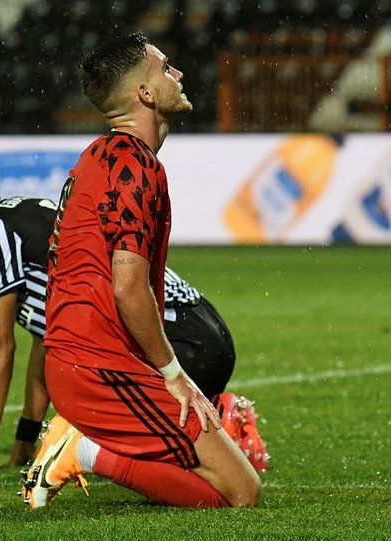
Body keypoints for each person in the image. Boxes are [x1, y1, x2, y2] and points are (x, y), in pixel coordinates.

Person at [0, 154, 267, 479]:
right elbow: (47, 342)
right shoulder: (26, 215)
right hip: (204, 332)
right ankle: (220, 417)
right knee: (73, 368)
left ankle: (214, 433)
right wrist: (23, 441)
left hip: (174, 338)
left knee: (85, 403)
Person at [22, 32, 261, 509]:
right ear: (145, 94)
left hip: (85, 359)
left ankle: (90, 448)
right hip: (97, 366)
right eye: (165, 68)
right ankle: (83, 451)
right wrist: (174, 374)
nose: (179, 75)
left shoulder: (102, 156)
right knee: (241, 492)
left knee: (227, 480)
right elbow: (128, 288)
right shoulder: (132, 164)